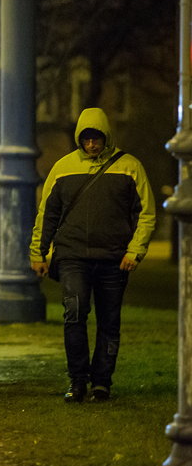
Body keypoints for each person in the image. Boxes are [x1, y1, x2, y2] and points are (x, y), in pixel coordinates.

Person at [30, 107, 155, 403]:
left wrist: (134, 251)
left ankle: (102, 383)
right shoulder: (62, 168)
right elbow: (47, 214)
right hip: (73, 256)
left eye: (96, 138)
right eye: (86, 139)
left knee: (109, 321)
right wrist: (39, 252)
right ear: (79, 139)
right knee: (74, 315)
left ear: (105, 137)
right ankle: (77, 380)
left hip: (114, 259)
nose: (91, 145)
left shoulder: (129, 166)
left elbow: (146, 214)